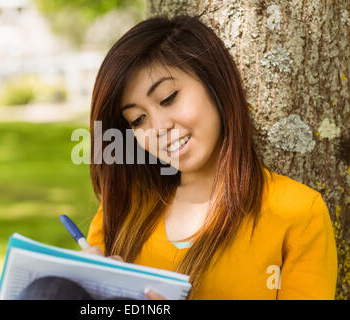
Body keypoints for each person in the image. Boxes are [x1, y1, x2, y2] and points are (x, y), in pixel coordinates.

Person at [19, 14, 337, 300]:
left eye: (168, 98)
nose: (158, 127)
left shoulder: (297, 211)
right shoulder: (125, 205)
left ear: (215, 84)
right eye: (138, 120)